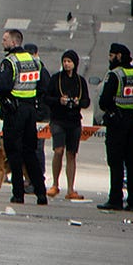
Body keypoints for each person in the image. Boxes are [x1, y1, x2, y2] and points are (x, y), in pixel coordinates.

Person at [0, 28, 48, 205]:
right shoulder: (34, 61)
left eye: (4, 40)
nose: (2, 42)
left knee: (14, 153)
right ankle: (41, 192)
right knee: (30, 153)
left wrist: (6, 101)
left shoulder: (9, 61)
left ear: (13, 42)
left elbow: (3, 87)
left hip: (15, 111)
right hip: (30, 111)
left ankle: (18, 193)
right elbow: (44, 85)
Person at [97, 43, 133, 212]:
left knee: (116, 163)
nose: (109, 59)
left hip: (117, 124)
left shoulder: (115, 75)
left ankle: (115, 199)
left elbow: (103, 102)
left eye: (111, 56)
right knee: (132, 164)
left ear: (118, 56)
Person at [47, 49, 90, 199]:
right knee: (58, 150)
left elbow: (87, 101)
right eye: (64, 61)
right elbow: (46, 97)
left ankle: (71, 189)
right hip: (58, 120)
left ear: (75, 63)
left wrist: (78, 102)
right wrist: (59, 101)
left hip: (74, 121)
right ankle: (55, 184)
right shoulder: (55, 79)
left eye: (69, 61)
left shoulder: (80, 81)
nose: (66, 64)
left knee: (71, 154)